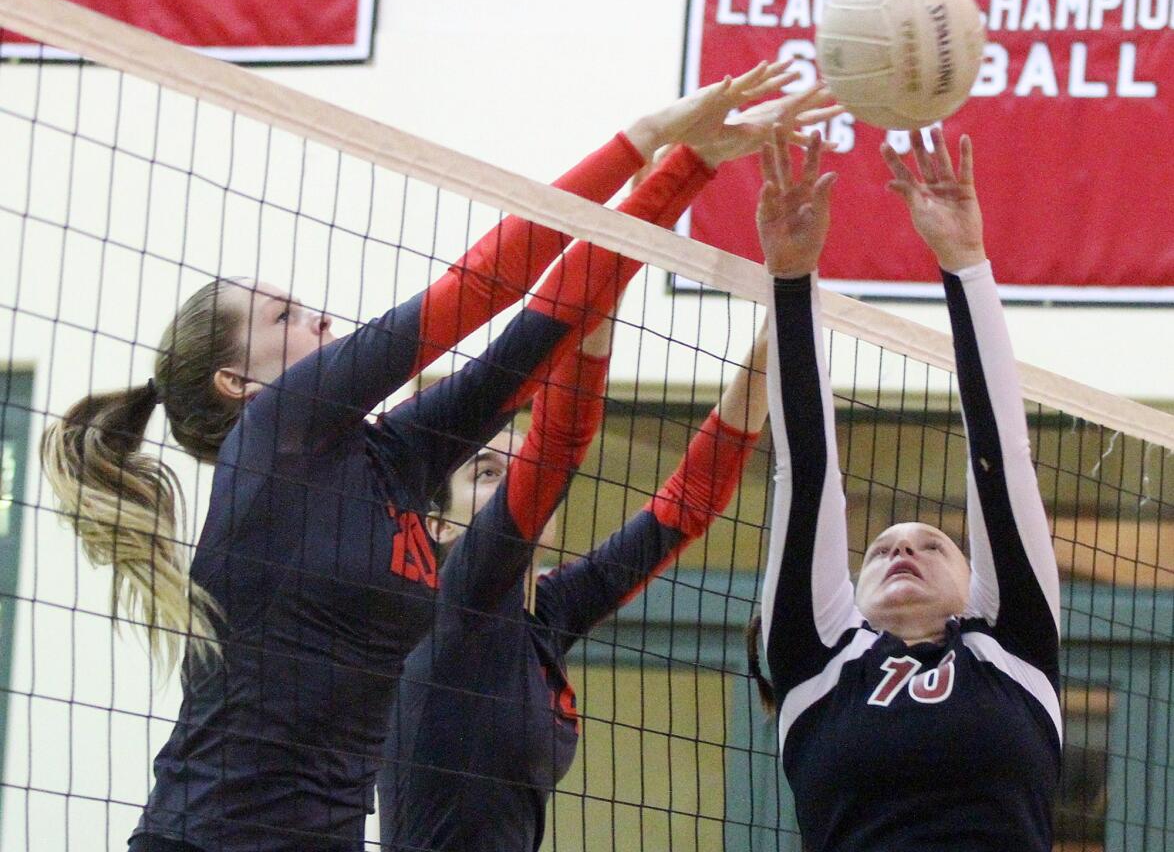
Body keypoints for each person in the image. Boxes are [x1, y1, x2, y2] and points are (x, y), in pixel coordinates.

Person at [40, 64, 834, 852]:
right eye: (285, 315)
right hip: (208, 839)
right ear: (238, 381)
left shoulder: (390, 459)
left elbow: (536, 340)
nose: (320, 322)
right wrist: (651, 137)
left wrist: (692, 166)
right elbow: (482, 283)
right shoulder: (272, 440)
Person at [748, 126, 1061, 851]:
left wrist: (965, 262)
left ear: (972, 583)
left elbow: (1001, 459)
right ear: (848, 597)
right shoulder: (818, 657)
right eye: (883, 547)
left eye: (931, 545)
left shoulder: (1010, 647)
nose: (902, 550)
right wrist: (791, 278)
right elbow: (807, 471)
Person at [379, 308, 770, 852]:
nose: (516, 482)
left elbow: (691, 502)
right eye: (489, 473)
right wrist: (601, 273)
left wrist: (783, 318)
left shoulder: (547, 608)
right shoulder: (457, 600)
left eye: (519, 468)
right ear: (440, 525)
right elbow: (554, 445)